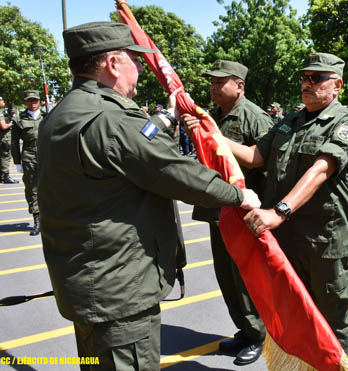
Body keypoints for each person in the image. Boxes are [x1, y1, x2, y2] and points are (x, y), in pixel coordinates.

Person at [37, 22, 261, 370]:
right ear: (112, 63)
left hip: (89, 280)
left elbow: (126, 147)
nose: (141, 69)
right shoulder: (112, 119)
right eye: (136, 61)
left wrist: (164, 118)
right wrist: (238, 195)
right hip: (120, 290)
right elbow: (173, 171)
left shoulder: (63, 113)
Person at [187, 52, 348, 360]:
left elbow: (321, 169)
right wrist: (211, 133)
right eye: (304, 78)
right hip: (286, 240)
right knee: (294, 318)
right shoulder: (290, 121)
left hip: (325, 240)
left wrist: (278, 211)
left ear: (337, 85)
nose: (306, 84)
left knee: (330, 320)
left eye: (316, 78)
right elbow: (255, 156)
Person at [190, 59, 272, 366]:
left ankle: (258, 334)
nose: (213, 87)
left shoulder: (253, 116)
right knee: (225, 275)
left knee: (244, 277)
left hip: (244, 211)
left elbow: (259, 159)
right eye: (211, 81)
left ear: (239, 85)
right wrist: (198, 133)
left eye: (219, 81)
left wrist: (212, 135)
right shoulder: (213, 116)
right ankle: (245, 330)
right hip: (218, 208)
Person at [12, 89, 45, 235]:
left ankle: (50, 218)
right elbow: (13, 143)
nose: (33, 103)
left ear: (40, 101)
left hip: (46, 155)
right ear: (24, 102)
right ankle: (37, 219)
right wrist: (17, 162)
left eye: (35, 100)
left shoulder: (47, 116)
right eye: (29, 100)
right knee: (32, 189)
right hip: (29, 156)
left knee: (50, 187)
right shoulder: (19, 119)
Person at [0, 96, 18, 184]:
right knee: (5, 157)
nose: (3, 101)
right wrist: (11, 123)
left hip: (3, 139)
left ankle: (2, 176)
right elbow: (3, 126)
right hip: (4, 139)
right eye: (1, 100)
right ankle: (6, 177)